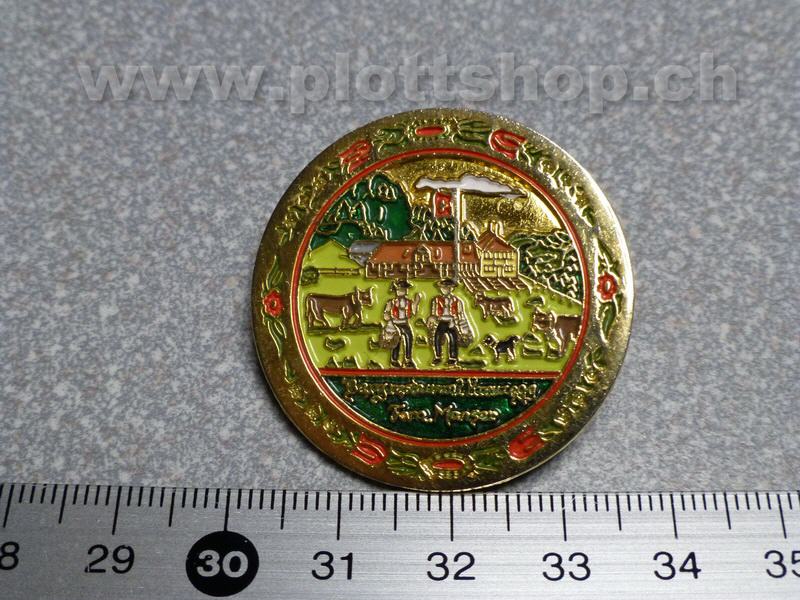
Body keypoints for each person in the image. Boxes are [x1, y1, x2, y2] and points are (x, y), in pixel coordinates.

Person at [427, 278, 469, 366]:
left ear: (451, 289)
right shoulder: (436, 300)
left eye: (448, 288)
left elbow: (460, 313)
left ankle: (453, 358)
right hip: (441, 321)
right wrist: (432, 319)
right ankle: (438, 356)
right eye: (443, 288)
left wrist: (457, 322)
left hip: (452, 322)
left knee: (453, 339)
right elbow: (433, 312)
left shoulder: (456, 301)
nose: (445, 290)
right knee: (437, 338)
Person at [382, 280, 421, 368]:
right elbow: (386, 313)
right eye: (399, 290)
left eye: (403, 290)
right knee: (396, 341)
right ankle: (394, 359)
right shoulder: (391, 302)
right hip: (395, 324)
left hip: (404, 323)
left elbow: (413, 312)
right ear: (396, 291)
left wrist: (416, 303)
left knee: (409, 338)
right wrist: (388, 318)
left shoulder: (408, 302)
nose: (401, 292)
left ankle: (408, 359)